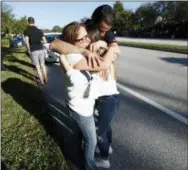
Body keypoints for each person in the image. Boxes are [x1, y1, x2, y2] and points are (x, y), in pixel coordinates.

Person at [50, 5, 120, 168]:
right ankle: (85, 157)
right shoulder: (80, 29)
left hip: (95, 90)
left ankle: (97, 149)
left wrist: (106, 44)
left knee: (99, 126)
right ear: (93, 23)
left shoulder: (106, 32)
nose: (104, 34)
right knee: (89, 132)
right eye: (101, 30)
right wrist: (84, 52)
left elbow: (115, 49)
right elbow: (55, 44)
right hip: (85, 94)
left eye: (106, 31)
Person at [24, 17, 48, 85]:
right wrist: (38, 41)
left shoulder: (26, 31)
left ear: (28, 22)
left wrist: (28, 50)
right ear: (34, 22)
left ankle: (42, 82)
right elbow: (45, 41)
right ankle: (46, 79)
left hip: (33, 50)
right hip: (41, 49)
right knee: (43, 65)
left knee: (37, 66)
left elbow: (26, 42)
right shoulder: (39, 30)